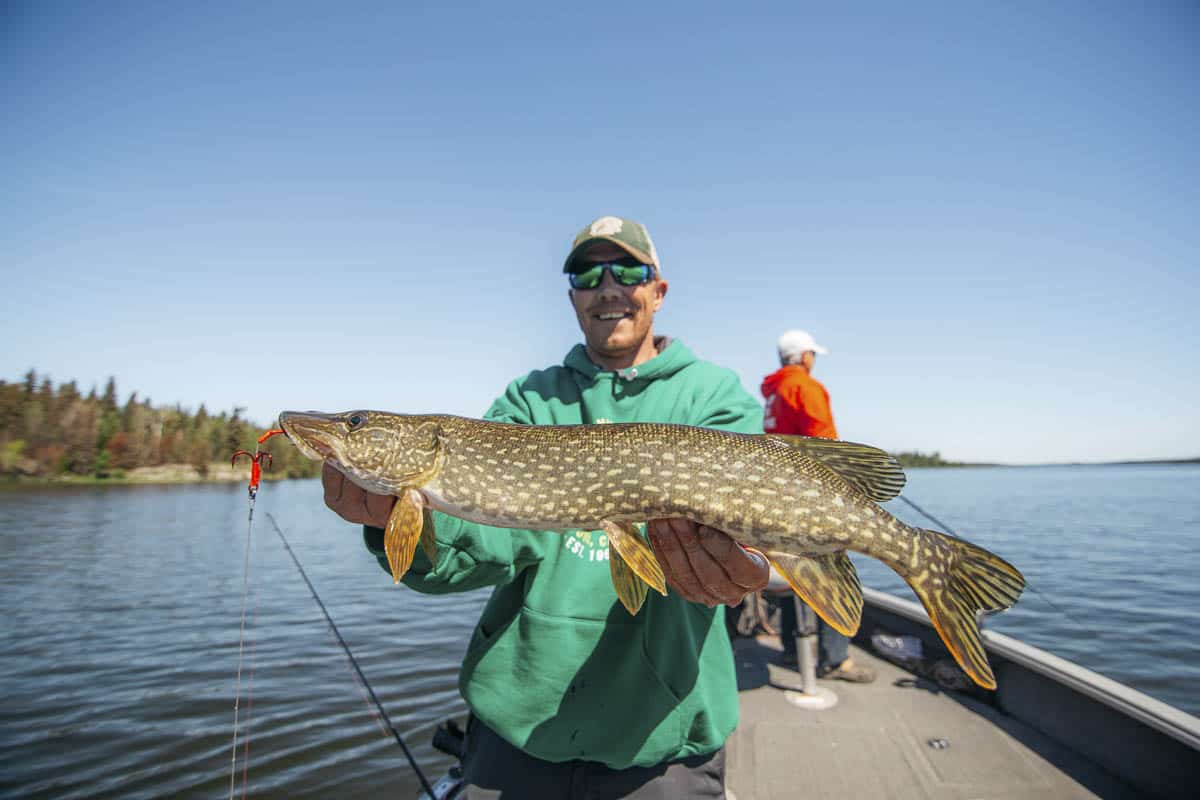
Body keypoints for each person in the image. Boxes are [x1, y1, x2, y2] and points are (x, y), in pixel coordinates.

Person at [323, 215, 770, 798]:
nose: (608, 287)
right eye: (587, 273)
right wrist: (393, 525)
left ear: (658, 291)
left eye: (629, 270)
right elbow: (485, 547)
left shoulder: (713, 396)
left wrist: (744, 566)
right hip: (519, 732)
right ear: (572, 297)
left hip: (664, 742)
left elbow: (745, 547)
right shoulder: (528, 400)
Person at [761, 329, 876, 683]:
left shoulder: (774, 393)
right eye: (813, 355)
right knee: (827, 569)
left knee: (792, 568)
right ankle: (836, 658)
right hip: (809, 498)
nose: (814, 360)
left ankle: (792, 652)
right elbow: (826, 446)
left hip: (775, 497)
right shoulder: (805, 387)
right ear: (803, 357)